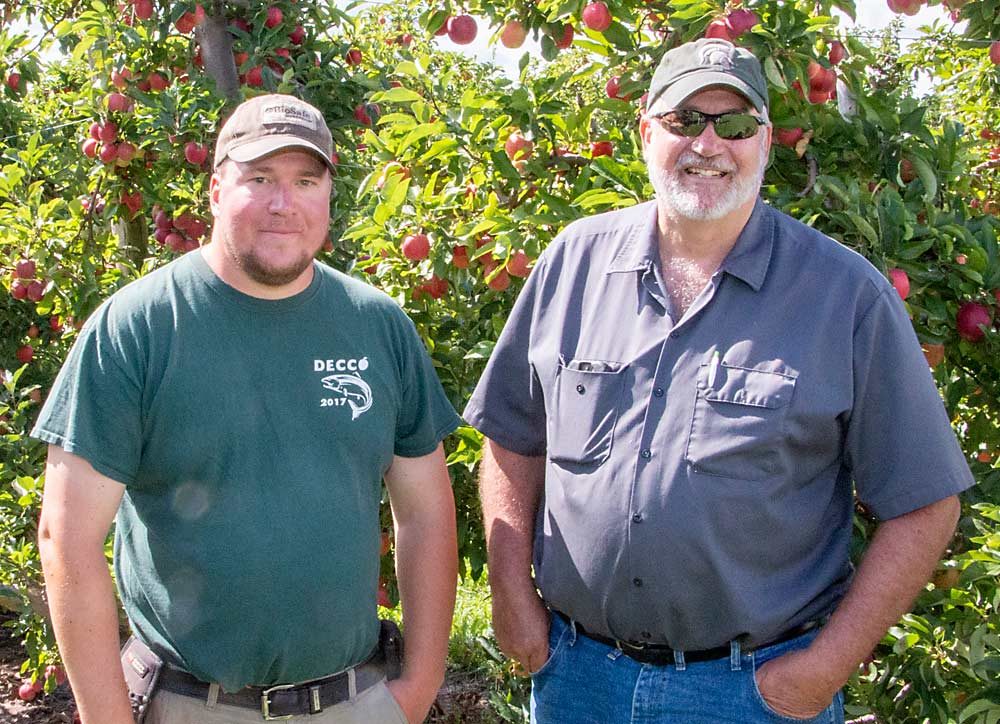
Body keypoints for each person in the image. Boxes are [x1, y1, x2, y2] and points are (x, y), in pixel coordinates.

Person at [463, 38, 974, 723]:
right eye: (685, 121)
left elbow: (925, 502)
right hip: (578, 677)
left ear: (766, 140)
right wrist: (511, 601)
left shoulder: (845, 296)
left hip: (749, 693)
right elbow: (511, 436)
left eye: (733, 125)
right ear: (646, 129)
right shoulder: (571, 264)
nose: (709, 144)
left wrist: (821, 671)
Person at [35, 93, 460, 724]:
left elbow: (425, 514)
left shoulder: (378, 327)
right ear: (214, 189)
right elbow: (67, 541)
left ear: (328, 196)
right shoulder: (138, 329)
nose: (282, 204)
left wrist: (419, 686)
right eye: (259, 178)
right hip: (189, 705)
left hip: (356, 702)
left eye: (305, 181)